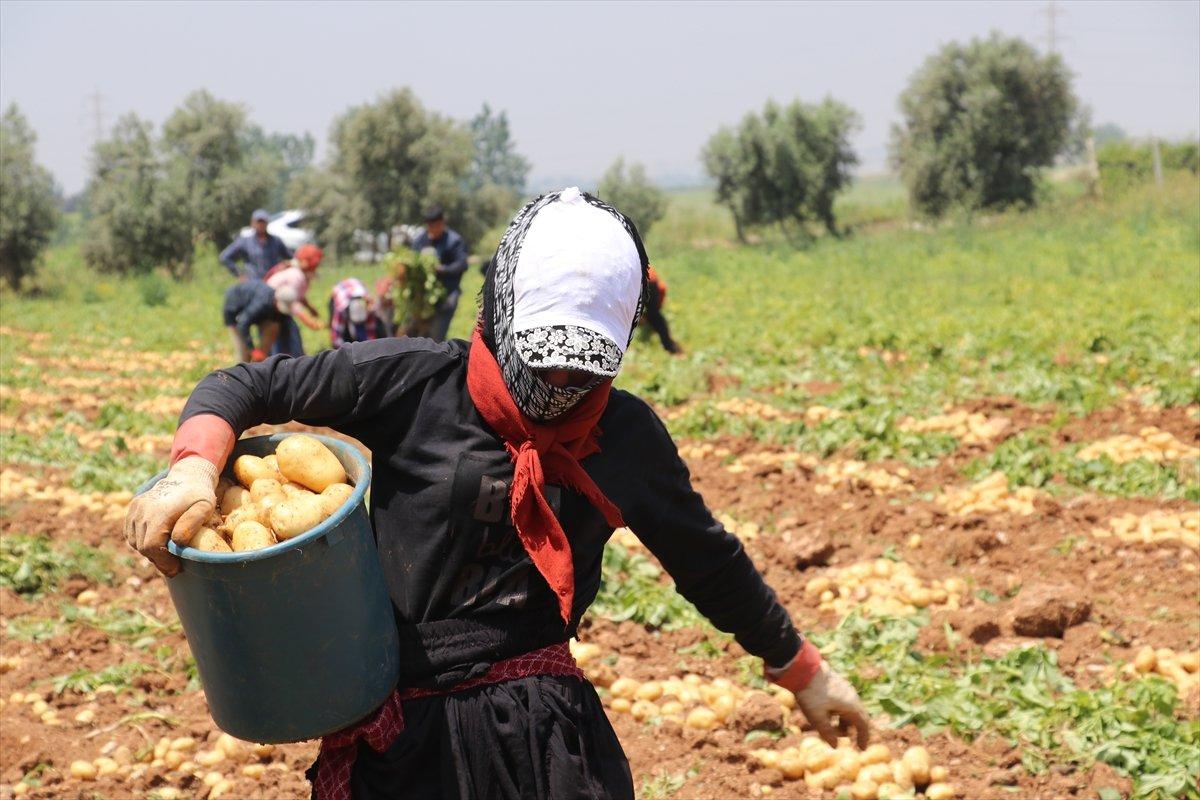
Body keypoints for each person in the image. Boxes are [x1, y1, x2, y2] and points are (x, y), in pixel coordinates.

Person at [123, 187, 870, 800]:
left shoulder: (626, 437)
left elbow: (706, 562)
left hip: (547, 738)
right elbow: (242, 384)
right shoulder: (415, 382)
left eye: (585, 373)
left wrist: (802, 670)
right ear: (502, 311)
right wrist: (194, 467)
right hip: (405, 739)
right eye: (543, 362)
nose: (560, 389)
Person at [409, 203, 468, 342]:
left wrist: (442, 269)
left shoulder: (454, 241)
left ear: (442, 223)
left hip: (446, 297)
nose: (431, 230)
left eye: (434, 226)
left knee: (436, 339)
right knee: (417, 339)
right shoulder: (421, 240)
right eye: (428, 226)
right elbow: (413, 259)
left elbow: (462, 265)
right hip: (422, 298)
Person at [264, 244, 325, 356]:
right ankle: (286, 362)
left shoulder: (299, 273)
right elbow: (293, 304)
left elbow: (298, 296)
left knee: (290, 333)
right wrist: (309, 322)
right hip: (271, 309)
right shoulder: (296, 275)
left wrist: (310, 308)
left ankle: (293, 359)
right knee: (284, 336)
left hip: (280, 308)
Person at [220, 280, 298, 363]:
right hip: (235, 312)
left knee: (273, 327)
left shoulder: (276, 307)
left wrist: (287, 352)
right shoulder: (261, 303)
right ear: (276, 300)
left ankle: (261, 361)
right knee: (244, 352)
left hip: (254, 314)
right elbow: (242, 323)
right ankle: (244, 369)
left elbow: (284, 329)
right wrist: (252, 350)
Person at [219, 209, 293, 281]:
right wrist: (239, 274)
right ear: (253, 223)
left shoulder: (276, 241)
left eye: (263, 222)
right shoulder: (245, 242)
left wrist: (285, 266)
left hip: (273, 282)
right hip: (254, 284)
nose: (261, 225)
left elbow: (290, 258)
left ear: (267, 223)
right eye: (258, 222)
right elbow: (224, 257)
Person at [329, 278, 385, 348]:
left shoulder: (370, 309)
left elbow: (371, 333)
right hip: (341, 290)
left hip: (358, 287)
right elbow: (336, 338)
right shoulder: (341, 309)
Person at [641, 265, 682, 354]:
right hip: (648, 280)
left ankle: (670, 347)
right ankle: (670, 347)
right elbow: (662, 288)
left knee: (653, 315)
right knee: (655, 316)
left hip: (644, 280)